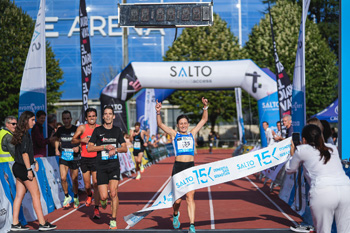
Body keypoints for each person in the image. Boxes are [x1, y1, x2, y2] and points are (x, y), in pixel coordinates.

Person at [155, 97, 208, 233]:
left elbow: (203, 120)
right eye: (181, 123)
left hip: (190, 167)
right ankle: (175, 214)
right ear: (177, 125)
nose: (183, 125)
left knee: (190, 197)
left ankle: (191, 225)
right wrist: (158, 112)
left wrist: (205, 107)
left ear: (188, 124)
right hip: (178, 168)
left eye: (185, 123)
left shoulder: (192, 133)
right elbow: (161, 125)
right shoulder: (174, 134)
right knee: (177, 201)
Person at [286, 124, 350, 233]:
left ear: (304, 139)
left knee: (323, 230)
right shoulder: (332, 148)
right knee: (345, 230)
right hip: (345, 189)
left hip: (323, 191)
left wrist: (292, 154)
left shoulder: (302, 150)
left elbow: (289, 169)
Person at [10, 111, 56, 231]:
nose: (34, 122)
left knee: (19, 196)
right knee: (36, 195)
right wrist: (29, 169)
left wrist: (33, 161)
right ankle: (42, 223)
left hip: (17, 167)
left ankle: (15, 223)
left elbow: (24, 154)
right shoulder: (25, 135)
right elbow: (25, 154)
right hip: (23, 168)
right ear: (26, 121)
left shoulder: (20, 134)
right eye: (32, 120)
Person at [88, 106, 127, 230]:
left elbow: (125, 148)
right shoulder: (98, 131)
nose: (108, 116)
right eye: (106, 114)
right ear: (103, 116)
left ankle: (113, 220)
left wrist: (115, 149)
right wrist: (105, 147)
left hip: (114, 165)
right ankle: (102, 201)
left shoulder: (117, 130)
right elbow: (90, 148)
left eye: (110, 114)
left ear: (114, 116)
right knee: (104, 196)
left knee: (114, 193)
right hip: (101, 166)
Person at [71, 108, 100, 219]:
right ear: (86, 118)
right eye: (89, 116)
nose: (92, 118)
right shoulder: (82, 128)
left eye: (93, 116)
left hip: (96, 159)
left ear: (96, 117)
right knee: (88, 185)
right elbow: (73, 140)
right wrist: (81, 140)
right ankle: (89, 195)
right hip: (85, 159)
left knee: (96, 183)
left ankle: (96, 209)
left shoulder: (99, 128)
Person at [54, 110, 80, 209]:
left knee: (74, 179)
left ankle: (76, 196)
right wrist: (56, 149)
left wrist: (78, 148)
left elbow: (81, 141)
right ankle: (66, 196)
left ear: (71, 119)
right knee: (63, 178)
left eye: (67, 118)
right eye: (64, 119)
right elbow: (57, 139)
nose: (66, 120)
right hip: (64, 155)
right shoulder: (60, 130)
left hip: (74, 156)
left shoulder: (76, 129)